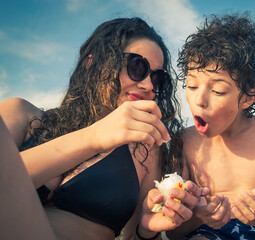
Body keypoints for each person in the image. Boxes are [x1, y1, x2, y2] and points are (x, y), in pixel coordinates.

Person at [0, 17, 206, 240]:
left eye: (157, 78)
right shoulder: (21, 113)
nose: (148, 86)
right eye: (137, 67)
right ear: (94, 63)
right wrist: (94, 136)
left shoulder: (144, 151)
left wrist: (146, 231)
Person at [167, 13, 255, 239]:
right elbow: (174, 234)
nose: (199, 100)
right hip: (206, 232)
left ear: (248, 97)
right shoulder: (184, 141)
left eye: (218, 91)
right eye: (192, 85)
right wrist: (198, 216)